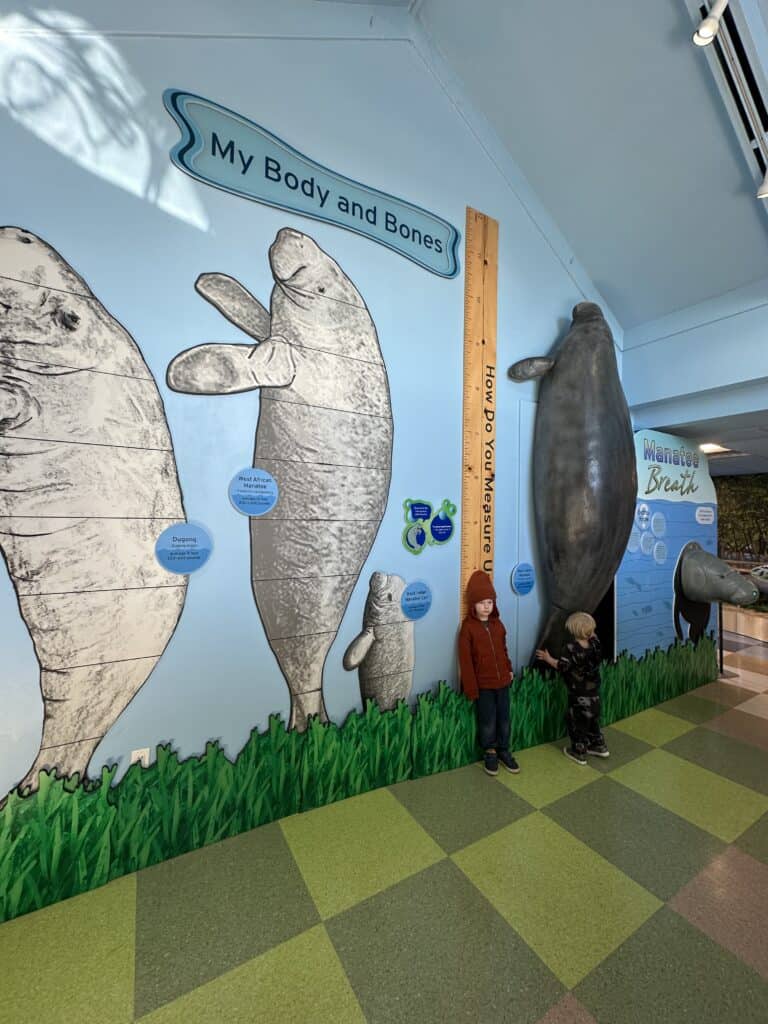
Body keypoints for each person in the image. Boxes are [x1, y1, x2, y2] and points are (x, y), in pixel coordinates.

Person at [458, 570, 520, 776]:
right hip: (483, 686)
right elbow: (465, 662)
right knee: (487, 720)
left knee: (504, 718)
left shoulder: (498, 625)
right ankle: (490, 751)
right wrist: (471, 687)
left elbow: (503, 650)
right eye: (482, 602)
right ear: (473, 604)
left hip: (502, 682)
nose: (486, 606)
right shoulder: (467, 629)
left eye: (490, 602)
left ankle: (504, 750)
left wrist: (509, 669)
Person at [536, 612, 609, 765]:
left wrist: (548, 658)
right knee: (593, 719)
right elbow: (593, 636)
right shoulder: (596, 644)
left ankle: (579, 750)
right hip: (594, 692)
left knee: (577, 722)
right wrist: (589, 628)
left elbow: (562, 666)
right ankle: (599, 745)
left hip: (578, 693)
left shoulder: (571, 648)